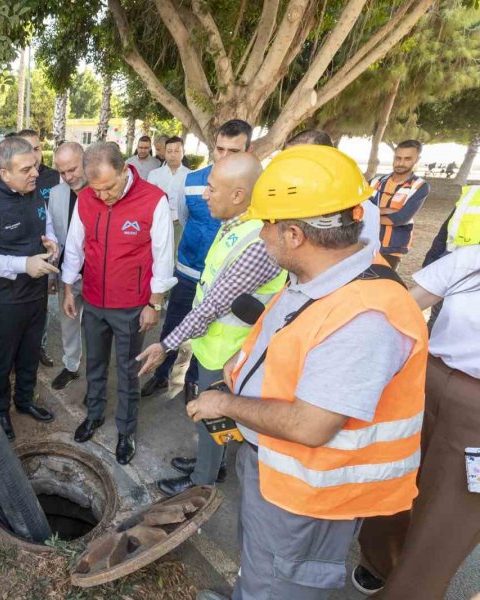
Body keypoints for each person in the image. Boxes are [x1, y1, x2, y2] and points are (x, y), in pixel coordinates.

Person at [191, 145, 428, 600]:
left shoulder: (365, 321)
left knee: (281, 584)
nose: (260, 236)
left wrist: (224, 402)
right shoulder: (325, 278)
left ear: (295, 234)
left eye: (267, 225)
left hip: (308, 497)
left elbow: (311, 425)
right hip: (277, 475)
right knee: (261, 568)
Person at [352, 184, 480, 598]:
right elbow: (407, 303)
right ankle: (378, 559)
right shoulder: (473, 258)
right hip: (427, 378)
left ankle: (410, 591)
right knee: (396, 476)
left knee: (451, 515)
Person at [137, 153, 286, 496]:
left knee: (212, 414)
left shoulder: (256, 244)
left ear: (238, 195)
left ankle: (201, 483)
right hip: (214, 343)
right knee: (210, 420)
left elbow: (213, 306)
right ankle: (210, 462)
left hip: (229, 351)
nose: (204, 195)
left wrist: (165, 345)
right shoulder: (236, 225)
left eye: (212, 189)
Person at [62, 142, 177, 465]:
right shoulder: (86, 199)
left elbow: (163, 255)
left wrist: (154, 302)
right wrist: (69, 288)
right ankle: (94, 414)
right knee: (95, 364)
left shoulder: (153, 200)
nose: (103, 196)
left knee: (128, 370)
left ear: (126, 171)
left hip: (132, 305)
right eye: (96, 189)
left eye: (109, 187)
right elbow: (75, 245)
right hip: (94, 300)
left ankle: (126, 430)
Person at [141, 119, 253, 401]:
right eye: (220, 149)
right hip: (188, 272)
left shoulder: (253, 189)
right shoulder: (192, 181)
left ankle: (193, 383)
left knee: (206, 335)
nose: (224, 157)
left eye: (234, 151)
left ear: (248, 151)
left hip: (225, 281)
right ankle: (160, 374)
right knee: (174, 324)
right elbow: (185, 218)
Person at [0, 136, 59, 441]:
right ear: (4, 173)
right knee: (3, 357)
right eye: (26, 170)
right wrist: (25, 264)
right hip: (5, 300)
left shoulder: (34, 193)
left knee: (30, 353)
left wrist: (52, 245)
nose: (35, 173)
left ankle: (23, 401)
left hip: (35, 294)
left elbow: (46, 227)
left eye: (34, 166)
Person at [284, 129, 381, 254]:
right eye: (286, 160)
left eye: (300, 161)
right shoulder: (287, 196)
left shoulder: (361, 207)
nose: (288, 168)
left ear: (326, 159)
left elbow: (362, 258)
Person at [18, 128, 61, 367]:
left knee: (42, 306)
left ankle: (39, 347)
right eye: (27, 149)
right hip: (20, 257)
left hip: (47, 253)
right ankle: (20, 349)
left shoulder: (55, 177)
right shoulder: (12, 176)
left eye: (36, 148)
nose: (33, 155)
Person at [49, 141, 87, 390]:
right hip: (68, 278)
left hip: (98, 277)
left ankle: (96, 377)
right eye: (62, 172)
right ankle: (71, 366)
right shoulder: (56, 194)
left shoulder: (102, 189)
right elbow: (54, 235)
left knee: (97, 330)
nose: (68, 177)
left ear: (85, 162)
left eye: (73, 169)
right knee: (69, 323)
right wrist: (54, 275)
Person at [369, 139, 430, 270]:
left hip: (391, 248)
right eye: (398, 158)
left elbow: (401, 219)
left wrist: (371, 213)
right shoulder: (375, 181)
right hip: (365, 243)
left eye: (407, 159)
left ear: (417, 159)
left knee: (383, 287)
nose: (401, 163)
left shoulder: (419, 186)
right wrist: (388, 210)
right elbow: (360, 209)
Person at [147, 136, 190, 223]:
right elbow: (149, 199)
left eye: (177, 151)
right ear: (165, 152)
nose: (173, 155)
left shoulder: (190, 175)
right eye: (169, 151)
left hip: (181, 222)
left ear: (183, 152)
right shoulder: (154, 174)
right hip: (157, 220)